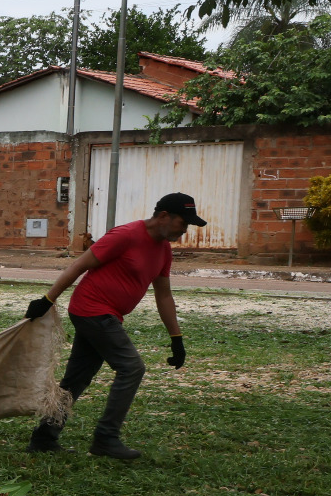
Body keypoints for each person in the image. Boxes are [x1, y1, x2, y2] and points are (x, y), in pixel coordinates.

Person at [25, 191, 203, 461]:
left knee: (77, 378)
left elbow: (164, 294)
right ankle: (106, 438)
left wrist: (176, 338)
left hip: (108, 315)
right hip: (91, 310)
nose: (185, 229)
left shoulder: (164, 250)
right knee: (132, 368)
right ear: (164, 216)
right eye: (183, 222)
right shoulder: (126, 235)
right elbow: (78, 266)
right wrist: (47, 300)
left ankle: (43, 438)